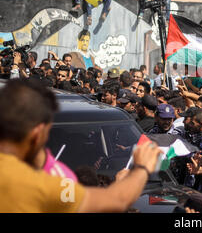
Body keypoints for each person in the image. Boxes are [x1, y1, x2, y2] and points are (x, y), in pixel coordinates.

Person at [0, 78, 162, 212]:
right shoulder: (46, 185)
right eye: (48, 135)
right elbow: (117, 200)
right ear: (36, 135)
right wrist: (141, 169)